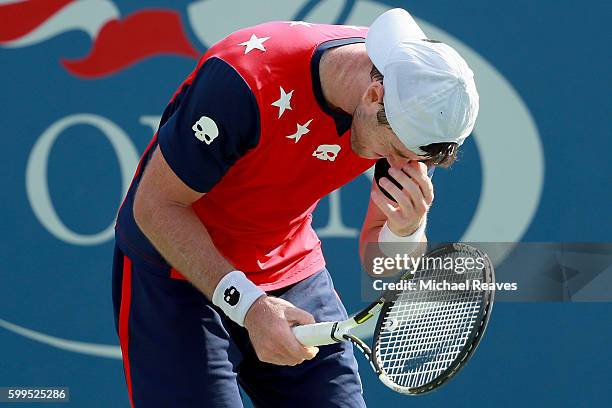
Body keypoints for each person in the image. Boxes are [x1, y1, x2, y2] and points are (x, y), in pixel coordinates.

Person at [111, 8, 478, 408]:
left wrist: (407, 231)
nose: (402, 163)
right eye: (392, 151)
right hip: (177, 270)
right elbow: (154, 206)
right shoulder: (244, 79)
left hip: (288, 269)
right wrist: (249, 306)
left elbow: (380, 262)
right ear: (374, 95)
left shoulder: (414, 110)